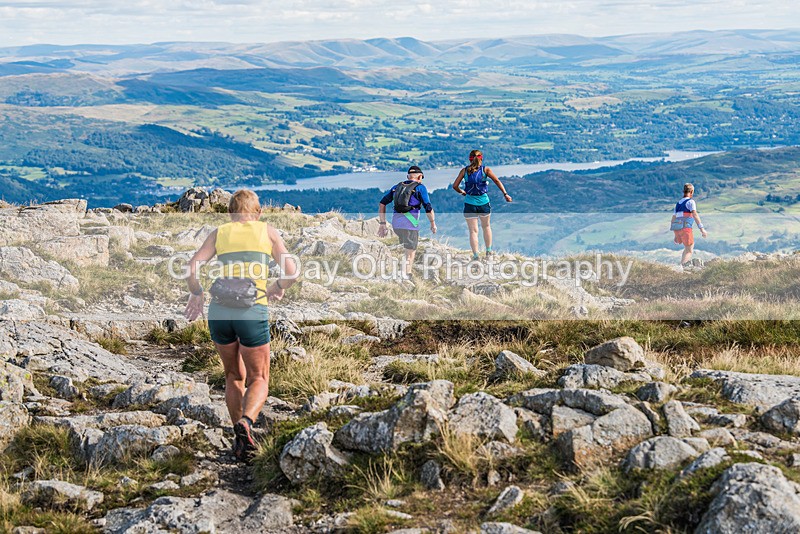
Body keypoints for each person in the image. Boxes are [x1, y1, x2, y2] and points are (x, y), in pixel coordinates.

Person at [184, 189, 297, 461]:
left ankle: (239, 440)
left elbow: (190, 269)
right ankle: (246, 422)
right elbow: (292, 272)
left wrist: (197, 293)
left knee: (234, 375)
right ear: (258, 212)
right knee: (259, 378)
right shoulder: (266, 231)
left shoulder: (219, 233)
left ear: (230, 213)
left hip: (220, 311)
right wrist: (277, 286)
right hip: (251, 310)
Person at [378, 165, 436, 280]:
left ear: (408, 177)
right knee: (410, 253)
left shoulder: (396, 187)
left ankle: (400, 272)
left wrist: (383, 224)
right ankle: (406, 276)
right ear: (420, 177)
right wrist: (433, 223)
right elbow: (428, 207)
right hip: (410, 225)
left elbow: (382, 203)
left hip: (396, 225)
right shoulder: (420, 188)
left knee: (405, 250)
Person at [452, 150, 512, 260]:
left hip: (469, 203)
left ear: (469, 159)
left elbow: (455, 186)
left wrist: (462, 192)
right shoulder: (485, 170)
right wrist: (505, 194)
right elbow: (497, 181)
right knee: (486, 226)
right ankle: (488, 252)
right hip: (483, 202)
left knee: (473, 231)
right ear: (481, 158)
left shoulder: (464, 171)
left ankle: (476, 256)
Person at [671, 182, 708, 270]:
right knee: (689, 249)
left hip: (677, 228)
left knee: (687, 248)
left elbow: (673, 218)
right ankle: (683, 268)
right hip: (686, 227)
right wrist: (702, 229)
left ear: (683, 191)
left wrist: (675, 235)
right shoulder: (691, 202)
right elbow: (695, 214)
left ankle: (682, 266)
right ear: (691, 192)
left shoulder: (678, 203)